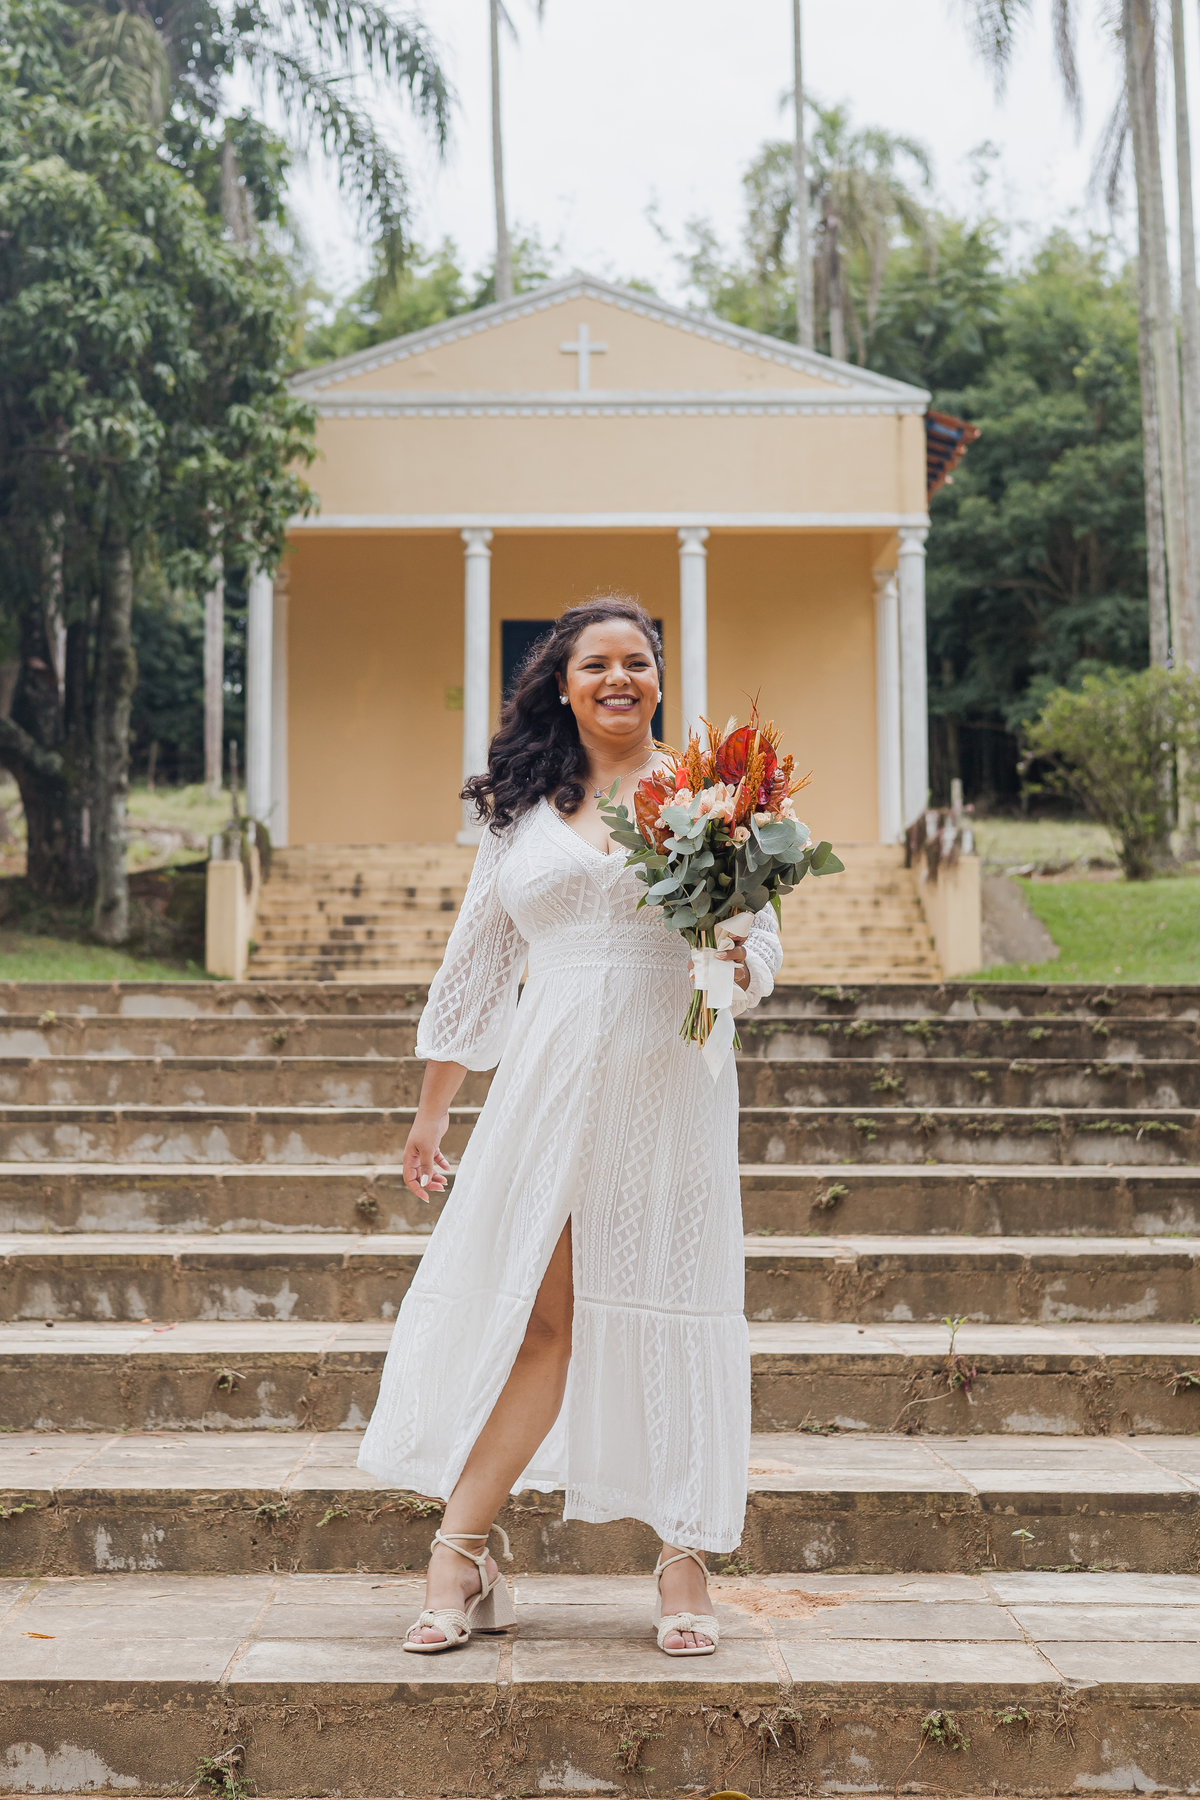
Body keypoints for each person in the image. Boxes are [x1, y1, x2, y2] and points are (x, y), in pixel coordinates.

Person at [357, 595, 783, 1657]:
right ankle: (460, 1555)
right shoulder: (519, 811)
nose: (618, 678)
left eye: (637, 662)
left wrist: (734, 961)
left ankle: (684, 1561)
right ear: (564, 680)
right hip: (547, 1087)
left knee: (675, 1299)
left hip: (671, 1080)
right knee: (543, 1327)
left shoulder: (710, 797)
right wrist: (429, 1118)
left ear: (656, 680)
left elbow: (759, 947)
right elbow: (475, 970)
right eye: (597, 662)